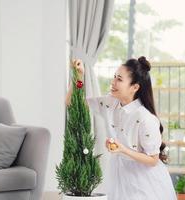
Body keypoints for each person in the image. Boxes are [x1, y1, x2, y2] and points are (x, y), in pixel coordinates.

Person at [66, 57, 177, 200]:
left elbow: (153, 160)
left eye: (119, 79)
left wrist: (123, 149)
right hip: (119, 174)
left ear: (135, 87)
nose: (113, 82)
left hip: (145, 181)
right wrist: (79, 75)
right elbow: (73, 102)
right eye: (114, 77)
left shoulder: (145, 118)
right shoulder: (110, 103)